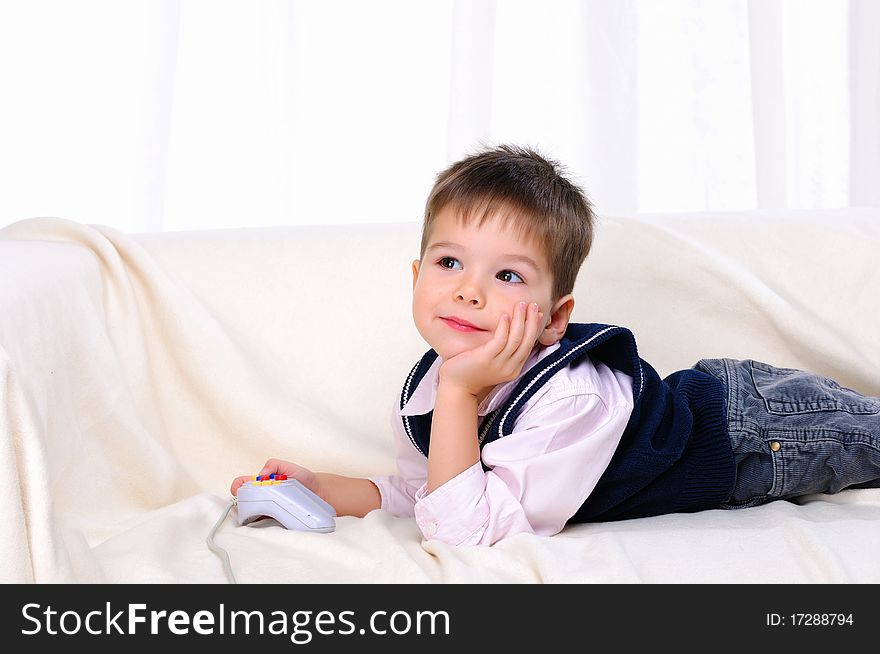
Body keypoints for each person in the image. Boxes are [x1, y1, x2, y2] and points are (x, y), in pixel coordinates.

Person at [230, 144, 880, 546]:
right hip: (734, 408)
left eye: (507, 275)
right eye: (449, 263)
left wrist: (461, 394)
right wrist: (325, 488)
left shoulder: (569, 398)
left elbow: (465, 530)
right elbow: (429, 493)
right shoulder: (433, 385)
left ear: (553, 318)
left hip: (753, 430)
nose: (469, 292)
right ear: (415, 278)